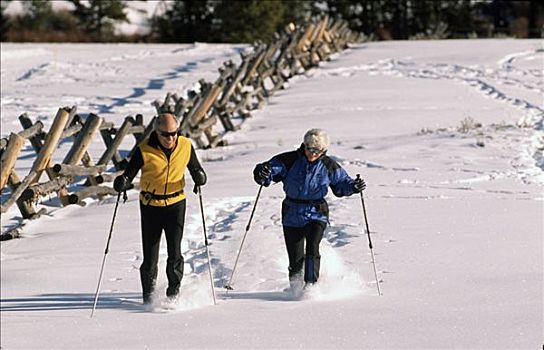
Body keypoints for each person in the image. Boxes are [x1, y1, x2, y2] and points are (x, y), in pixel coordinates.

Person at [252, 128, 366, 289]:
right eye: (309, 149)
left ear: (324, 150)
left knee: (312, 249)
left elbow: (341, 185)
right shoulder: (289, 160)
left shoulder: (328, 165)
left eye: (317, 151)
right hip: (291, 212)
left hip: (316, 212)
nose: (312, 153)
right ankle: (295, 289)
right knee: (295, 259)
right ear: (304, 146)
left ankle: (311, 287)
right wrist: (261, 172)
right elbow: (269, 171)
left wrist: (354, 186)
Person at [113, 113, 207, 304]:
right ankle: (149, 298)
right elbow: (128, 174)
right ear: (157, 132)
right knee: (150, 256)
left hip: (176, 204)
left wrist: (200, 177)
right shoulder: (144, 150)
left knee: (175, 252)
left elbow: (196, 169)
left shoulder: (186, 145)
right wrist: (122, 182)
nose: (170, 138)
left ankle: (173, 294)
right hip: (151, 206)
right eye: (165, 134)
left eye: (174, 133)